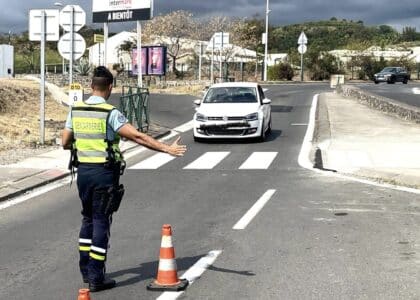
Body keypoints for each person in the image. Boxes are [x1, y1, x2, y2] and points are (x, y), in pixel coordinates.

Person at [61, 66, 186, 292]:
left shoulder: (75, 109)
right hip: (103, 174)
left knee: (87, 219)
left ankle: (86, 271)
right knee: (101, 221)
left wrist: (83, 144)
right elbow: (137, 136)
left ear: (91, 86)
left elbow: (65, 142)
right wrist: (166, 148)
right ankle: (97, 277)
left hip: (83, 173)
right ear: (110, 87)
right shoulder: (110, 113)